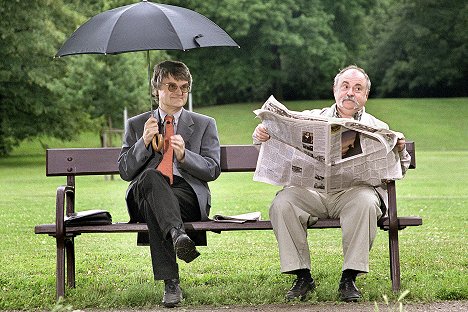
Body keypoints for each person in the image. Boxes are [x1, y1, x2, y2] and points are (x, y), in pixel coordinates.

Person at [252, 65, 411, 302]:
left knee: (366, 202)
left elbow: (398, 169)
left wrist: (399, 150)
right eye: (345, 86)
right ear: (335, 90)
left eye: (358, 89)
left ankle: (350, 277)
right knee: (283, 203)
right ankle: (302, 275)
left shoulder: (379, 127)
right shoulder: (311, 117)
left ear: (365, 95)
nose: (350, 93)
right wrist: (260, 135)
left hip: (352, 194)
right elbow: (274, 146)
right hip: (313, 193)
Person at [118, 60, 221, 308]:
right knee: (151, 177)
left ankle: (171, 282)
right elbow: (125, 170)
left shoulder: (205, 123)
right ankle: (178, 235)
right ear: (156, 89)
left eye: (184, 87)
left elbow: (212, 169)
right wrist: (143, 142)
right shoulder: (137, 124)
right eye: (171, 86)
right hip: (145, 194)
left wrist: (185, 156)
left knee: (161, 206)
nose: (179, 92)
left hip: (186, 195)